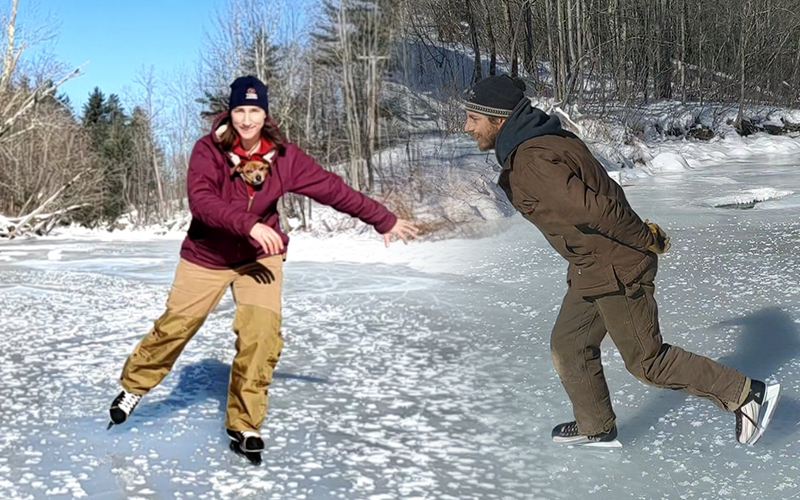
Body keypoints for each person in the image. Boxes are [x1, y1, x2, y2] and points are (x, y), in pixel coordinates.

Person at [108, 75, 418, 462]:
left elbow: (333, 188)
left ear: (265, 113)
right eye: (240, 110)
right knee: (176, 326)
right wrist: (248, 223)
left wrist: (382, 219)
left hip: (260, 256)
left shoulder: (285, 158)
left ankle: (245, 423)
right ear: (231, 111)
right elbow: (202, 201)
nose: (247, 119)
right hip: (207, 255)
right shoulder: (209, 151)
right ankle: (135, 385)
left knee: (262, 335)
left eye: (255, 110)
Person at [463, 74, 780, 446]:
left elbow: (597, 210)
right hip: (592, 265)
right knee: (570, 344)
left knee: (647, 361)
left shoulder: (534, 161)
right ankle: (595, 425)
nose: (467, 127)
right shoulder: (543, 140)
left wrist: (644, 238)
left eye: (474, 118)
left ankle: (745, 395)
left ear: (499, 119)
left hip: (615, 265)